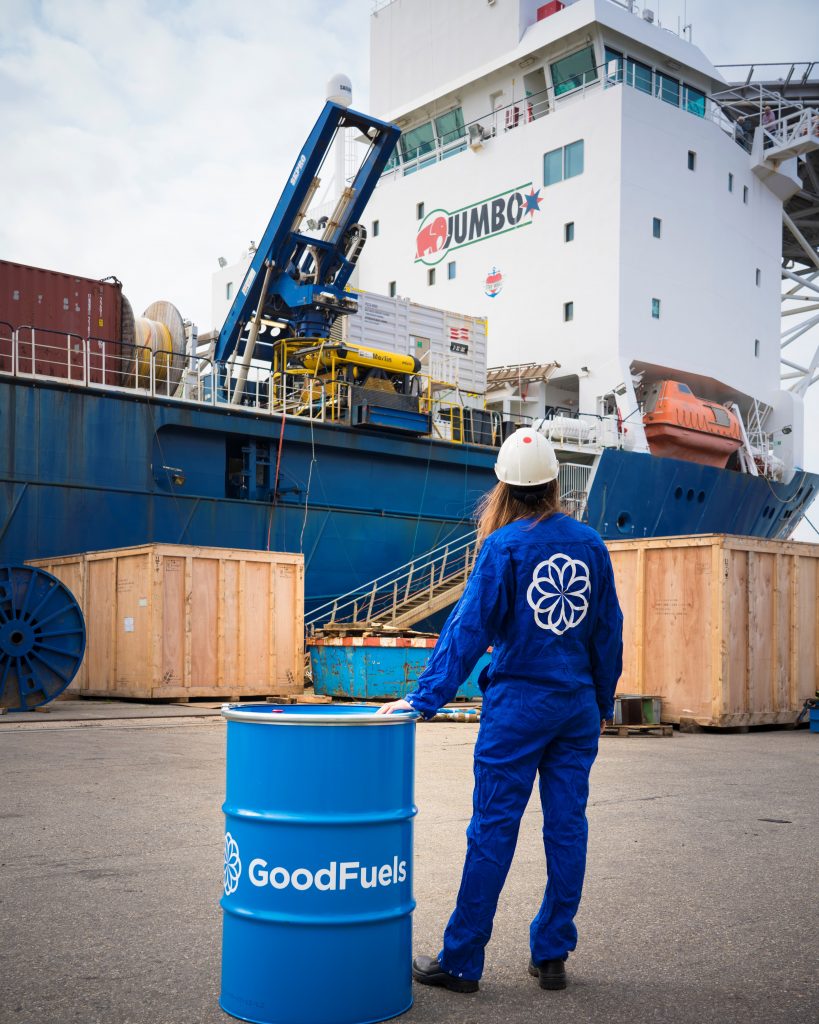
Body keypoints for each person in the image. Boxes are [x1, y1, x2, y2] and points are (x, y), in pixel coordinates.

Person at [377, 427, 624, 994]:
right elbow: (608, 632)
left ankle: (461, 960)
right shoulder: (590, 544)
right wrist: (601, 699)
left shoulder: (505, 546)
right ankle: (553, 952)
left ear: (504, 489)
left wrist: (423, 698)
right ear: (555, 483)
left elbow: (469, 628)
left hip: (518, 707)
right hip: (575, 706)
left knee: (492, 830)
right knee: (567, 828)